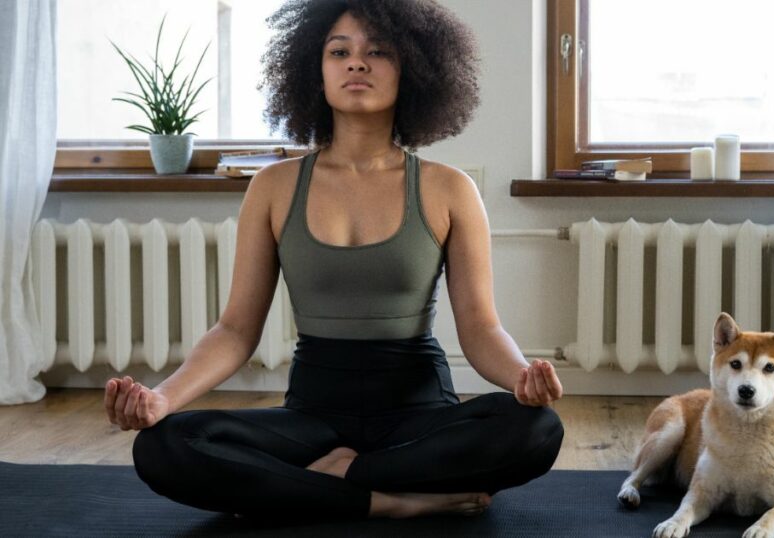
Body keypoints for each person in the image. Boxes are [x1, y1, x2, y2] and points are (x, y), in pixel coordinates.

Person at [103, 0, 564, 521]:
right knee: (164, 446)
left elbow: (481, 328)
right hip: (312, 417)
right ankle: (385, 499)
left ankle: (332, 481)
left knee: (537, 429)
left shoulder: (449, 189)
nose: (356, 63)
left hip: (418, 415)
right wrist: (162, 399)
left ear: (412, 67)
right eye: (338, 51)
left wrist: (523, 378)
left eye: (377, 52)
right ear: (313, 70)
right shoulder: (272, 187)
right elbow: (234, 330)